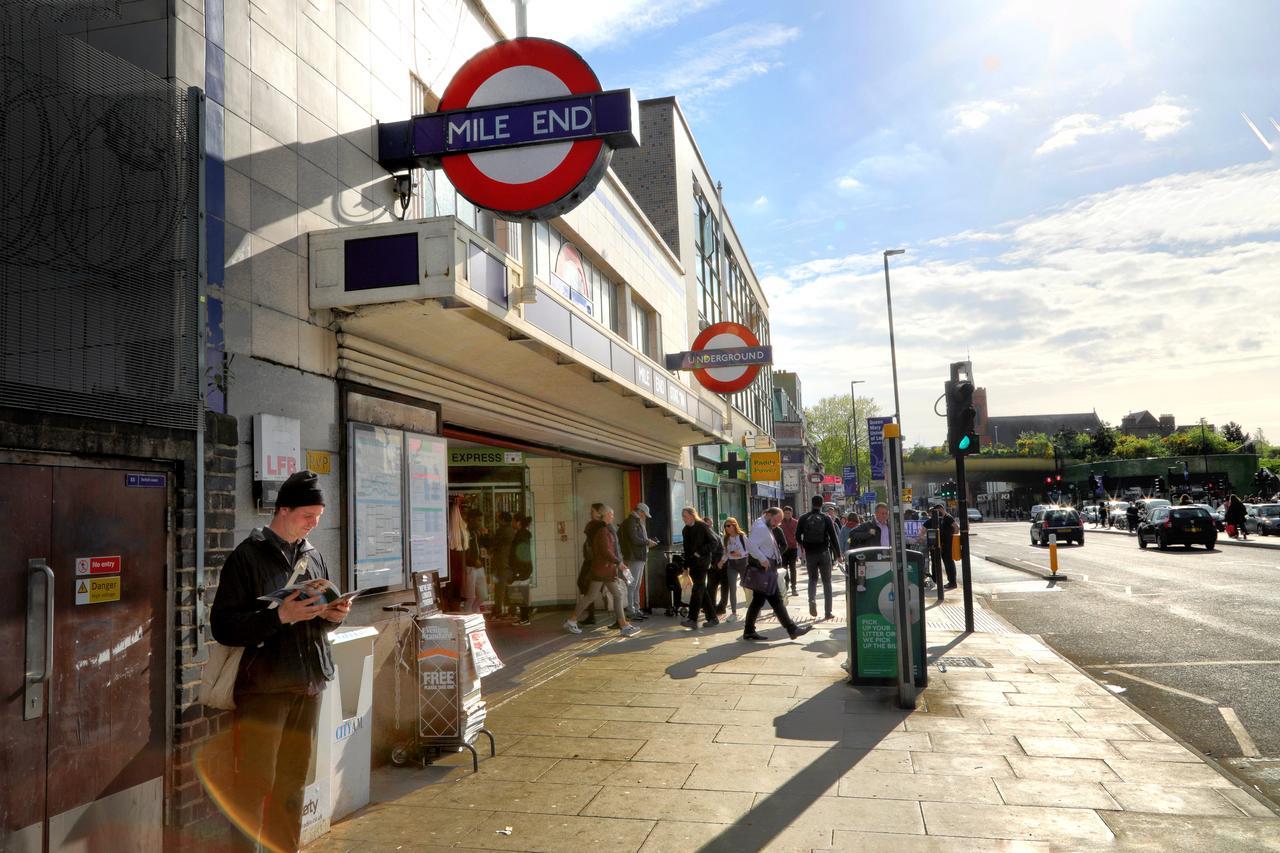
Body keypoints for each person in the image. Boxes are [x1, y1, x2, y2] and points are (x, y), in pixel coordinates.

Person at [211, 470, 350, 853]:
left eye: (319, 517)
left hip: (308, 684)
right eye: (308, 515)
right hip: (265, 688)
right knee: (255, 784)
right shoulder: (246, 557)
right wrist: (280, 617)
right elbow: (223, 627)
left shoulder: (313, 555)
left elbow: (318, 618)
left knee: (293, 784)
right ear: (283, 509)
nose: (314, 524)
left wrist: (334, 615)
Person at [565, 506, 640, 636]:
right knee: (595, 596)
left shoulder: (604, 530)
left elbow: (609, 550)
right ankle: (572, 621)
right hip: (603, 569)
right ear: (605, 515)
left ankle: (623, 625)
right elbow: (606, 551)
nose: (613, 516)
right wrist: (619, 563)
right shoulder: (603, 531)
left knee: (610, 596)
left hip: (604, 569)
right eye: (611, 514)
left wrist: (617, 563)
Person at [741, 508, 811, 642]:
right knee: (775, 600)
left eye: (779, 522)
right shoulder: (761, 527)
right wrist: (763, 559)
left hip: (768, 567)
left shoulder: (762, 523)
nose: (776, 524)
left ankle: (749, 630)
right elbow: (750, 545)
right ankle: (792, 629)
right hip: (765, 568)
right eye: (775, 521)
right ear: (768, 515)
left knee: (759, 601)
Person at [796, 495, 841, 619]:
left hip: (810, 554)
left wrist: (805, 546)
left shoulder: (803, 518)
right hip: (824, 553)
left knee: (812, 579)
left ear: (811, 503)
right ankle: (828, 612)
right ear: (822, 505)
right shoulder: (826, 518)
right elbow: (833, 537)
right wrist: (838, 555)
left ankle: (812, 600)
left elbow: (797, 536)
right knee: (827, 582)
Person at [680, 506, 720, 629]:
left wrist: (700, 552)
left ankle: (692, 619)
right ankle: (713, 618)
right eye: (682, 517)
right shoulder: (685, 530)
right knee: (702, 591)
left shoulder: (702, 526)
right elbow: (686, 549)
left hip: (703, 562)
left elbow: (715, 542)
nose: (683, 519)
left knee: (697, 589)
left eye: (685, 516)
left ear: (692, 515)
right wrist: (685, 566)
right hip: (692, 564)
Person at [620, 502, 658, 621]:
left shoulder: (636, 522)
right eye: (644, 514)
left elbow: (637, 539)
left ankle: (636, 609)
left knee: (636, 585)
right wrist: (648, 542)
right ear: (640, 512)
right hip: (633, 558)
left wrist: (647, 542)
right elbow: (635, 540)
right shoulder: (632, 522)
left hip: (638, 558)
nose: (645, 517)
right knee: (632, 584)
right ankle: (631, 611)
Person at [576, 503, 605, 625]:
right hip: (592, 560)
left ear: (599, 513)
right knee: (587, 585)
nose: (590, 513)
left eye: (592, 511)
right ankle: (591, 614)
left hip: (592, 560)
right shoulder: (600, 526)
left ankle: (584, 615)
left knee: (586, 584)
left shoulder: (596, 526)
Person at [717, 517, 749, 620]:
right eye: (725, 526)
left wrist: (740, 553)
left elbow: (749, 550)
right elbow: (726, 552)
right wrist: (722, 561)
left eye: (729, 526)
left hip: (743, 563)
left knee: (747, 587)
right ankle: (734, 613)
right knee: (732, 588)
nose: (727, 528)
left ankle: (752, 609)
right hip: (731, 564)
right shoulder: (725, 538)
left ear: (734, 525)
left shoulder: (742, 536)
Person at [490, 510, 515, 620]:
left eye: (499, 518)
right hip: (508, 564)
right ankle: (511, 610)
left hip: (501, 564)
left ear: (503, 520)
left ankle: (498, 611)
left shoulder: (502, 531)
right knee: (507, 588)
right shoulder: (511, 531)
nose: (497, 520)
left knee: (499, 589)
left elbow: (494, 544)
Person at [508, 515, 534, 624]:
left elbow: (520, 553)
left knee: (520, 592)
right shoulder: (522, 535)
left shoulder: (521, 535)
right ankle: (525, 616)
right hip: (524, 568)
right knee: (519, 591)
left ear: (518, 522)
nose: (512, 523)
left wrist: (517, 568)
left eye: (513, 521)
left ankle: (525, 618)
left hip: (521, 568)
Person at [779, 506, 800, 595]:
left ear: (792, 513)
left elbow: (799, 535)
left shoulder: (796, 523)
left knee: (793, 568)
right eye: (786, 513)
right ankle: (786, 584)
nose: (787, 515)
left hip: (793, 548)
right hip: (783, 549)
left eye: (789, 513)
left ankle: (794, 587)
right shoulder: (779, 523)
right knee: (784, 568)